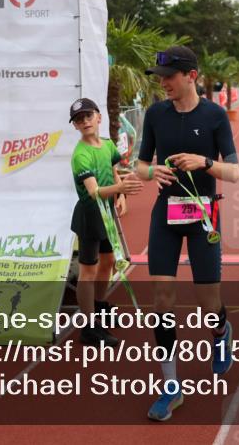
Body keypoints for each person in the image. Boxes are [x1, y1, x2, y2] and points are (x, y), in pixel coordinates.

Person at [135, 45, 239, 422]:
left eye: (169, 76)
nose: (163, 83)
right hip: (165, 213)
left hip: (204, 217)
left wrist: (205, 163)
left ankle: (221, 331)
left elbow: (235, 172)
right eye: (160, 77)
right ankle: (170, 387)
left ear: (191, 76)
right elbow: (140, 164)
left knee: (207, 303)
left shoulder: (214, 116)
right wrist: (152, 174)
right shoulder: (155, 114)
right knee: (161, 299)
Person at [68, 98, 143, 347]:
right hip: (90, 217)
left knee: (109, 261)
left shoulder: (108, 145)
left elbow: (112, 172)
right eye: (79, 119)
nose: (85, 121)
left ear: (99, 117)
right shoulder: (81, 155)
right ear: (75, 126)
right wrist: (120, 187)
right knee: (88, 270)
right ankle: (88, 328)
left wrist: (120, 194)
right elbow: (94, 192)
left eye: (88, 116)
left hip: (106, 216)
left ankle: (99, 308)